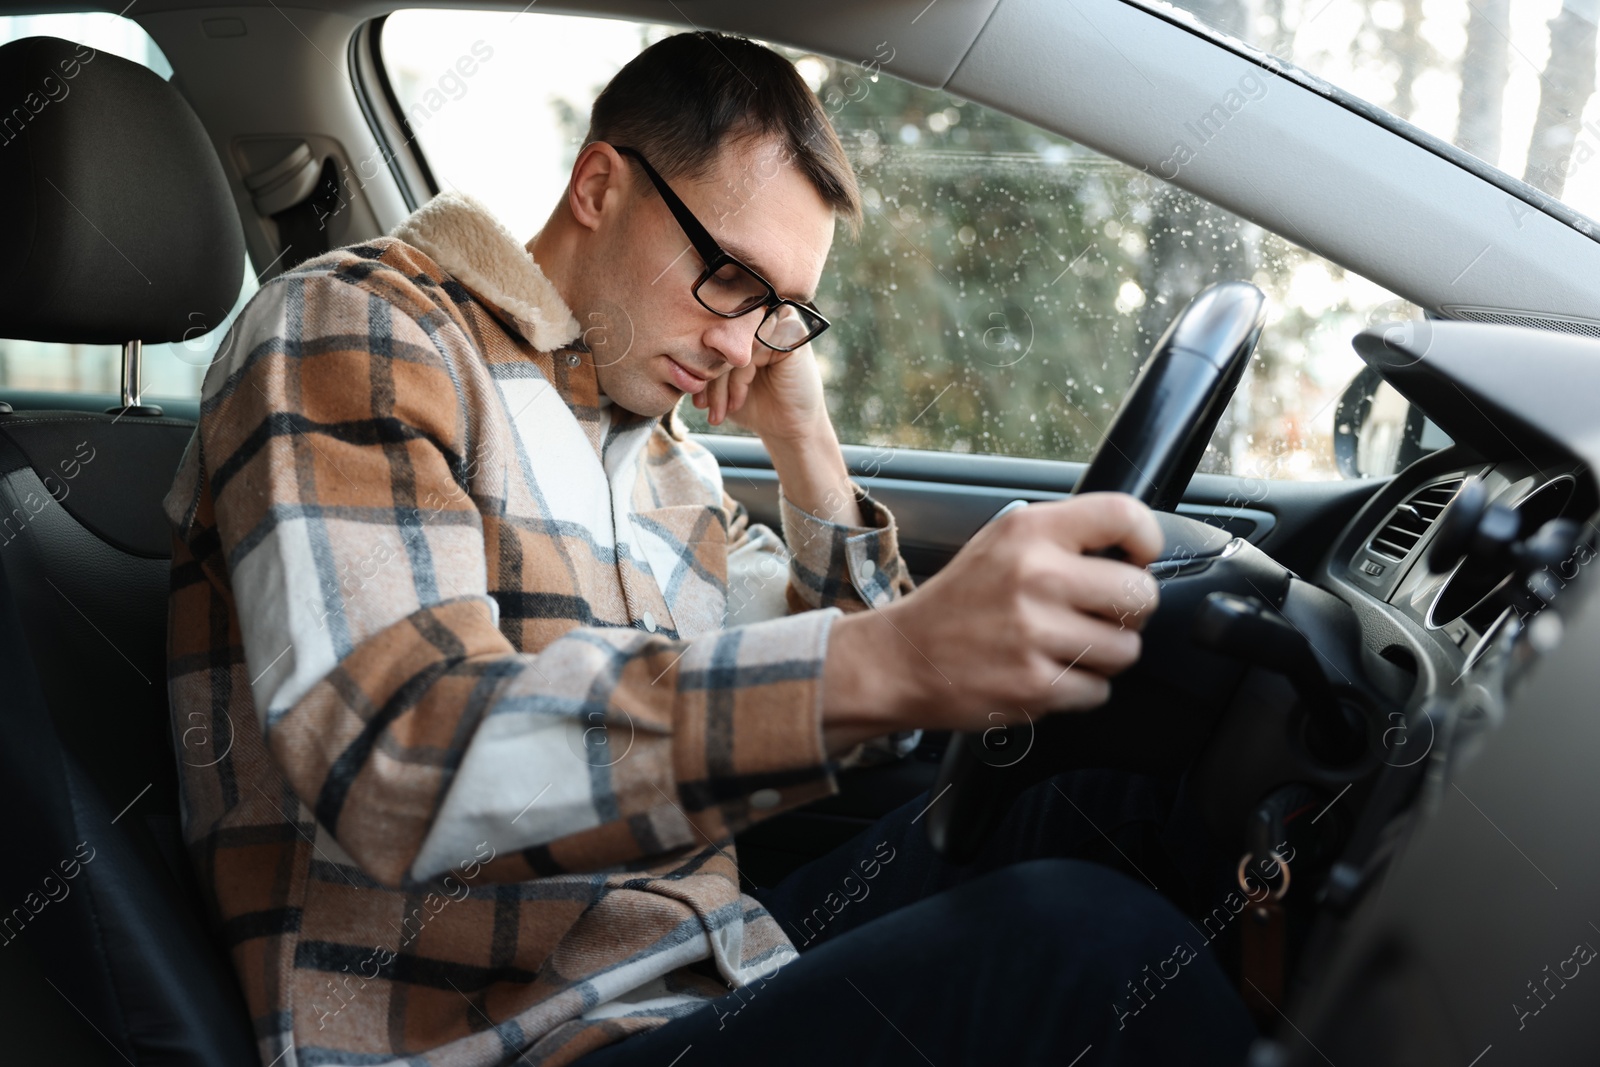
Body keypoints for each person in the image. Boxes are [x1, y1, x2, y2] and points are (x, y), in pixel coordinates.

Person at [163, 30, 1256, 1067]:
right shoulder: (357, 328)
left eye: (783, 308)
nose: (742, 339)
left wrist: (803, 441)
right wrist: (893, 661)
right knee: (1084, 943)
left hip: (696, 969)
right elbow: (391, 759)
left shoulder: (662, 453)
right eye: (730, 276)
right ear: (599, 187)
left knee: (1100, 811)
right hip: (506, 1036)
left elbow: (874, 720)